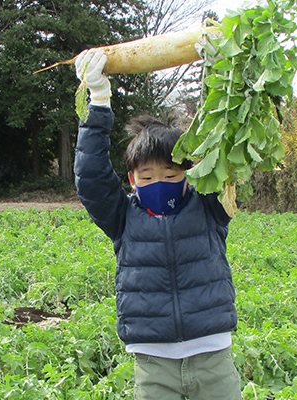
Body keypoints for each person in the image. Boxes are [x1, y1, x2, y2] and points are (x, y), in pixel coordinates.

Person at [73, 48, 241, 400]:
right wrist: (99, 100)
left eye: (170, 173)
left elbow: (226, 148)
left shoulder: (208, 206)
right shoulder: (122, 217)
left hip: (213, 359)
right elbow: (91, 176)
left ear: (188, 174)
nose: (158, 182)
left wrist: (218, 70)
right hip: (153, 363)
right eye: (147, 176)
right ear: (132, 180)